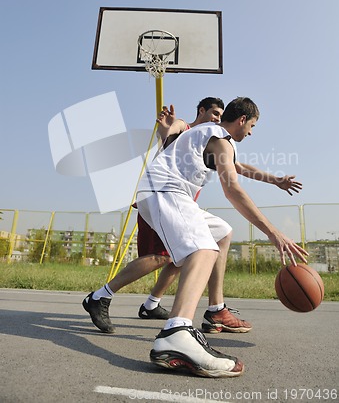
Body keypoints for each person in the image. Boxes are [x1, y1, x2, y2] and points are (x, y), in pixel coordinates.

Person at [135, 96, 308, 378]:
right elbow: (233, 190)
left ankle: (215, 310)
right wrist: (274, 233)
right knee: (203, 249)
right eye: (252, 126)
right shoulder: (216, 135)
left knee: (221, 234)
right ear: (242, 120)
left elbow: (239, 167)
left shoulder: (214, 137)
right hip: (164, 191)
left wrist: (276, 180)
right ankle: (176, 333)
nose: (251, 132)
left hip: (168, 193)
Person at [83, 97, 247, 333]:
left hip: (179, 204)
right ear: (201, 111)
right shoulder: (187, 128)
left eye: (220, 116)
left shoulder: (213, 138)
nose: (217, 119)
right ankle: (101, 296)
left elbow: (234, 164)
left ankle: (151, 304)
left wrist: (273, 179)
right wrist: (166, 129)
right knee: (160, 257)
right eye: (214, 113)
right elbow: (170, 135)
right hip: (163, 199)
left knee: (183, 255)